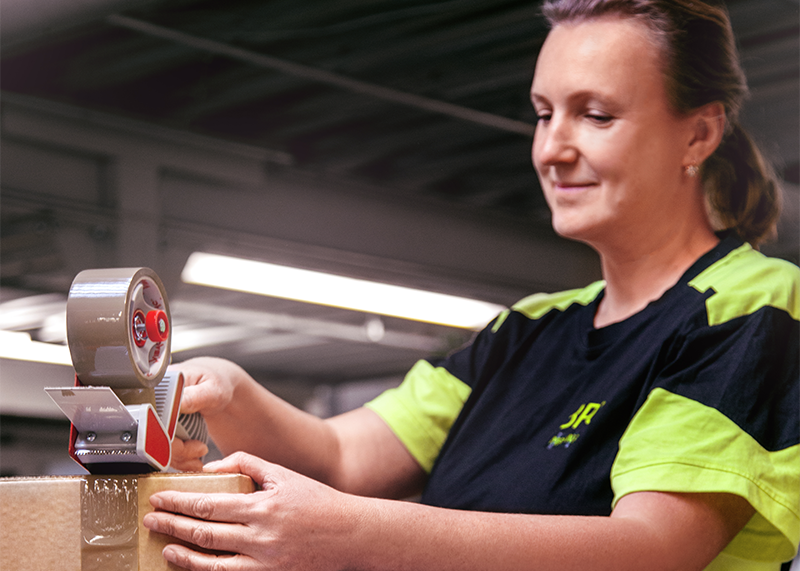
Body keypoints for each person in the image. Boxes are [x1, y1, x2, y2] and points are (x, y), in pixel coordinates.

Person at [143, 1, 800, 569]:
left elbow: (654, 547)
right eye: (545, 114)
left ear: (699, 132)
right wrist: (232, 393)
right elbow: (342, 456)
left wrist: (355, 532)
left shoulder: (752, 305)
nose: (553, 149)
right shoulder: (526, 328)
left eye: (596, 115)